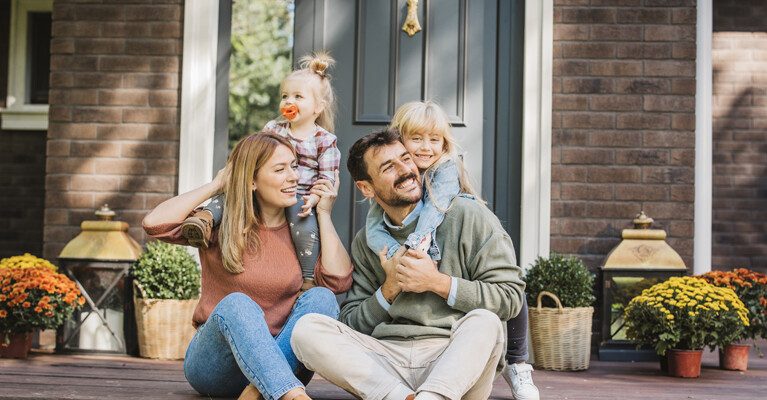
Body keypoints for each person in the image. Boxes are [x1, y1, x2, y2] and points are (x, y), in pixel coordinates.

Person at [291, 128, 525, 400]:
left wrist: (437, 283)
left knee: (485, 322)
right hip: (386, 363)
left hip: (454, 359)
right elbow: (352, 322)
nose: (406, 171)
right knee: (306, 330)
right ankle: (400, 396)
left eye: (405, 158)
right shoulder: (367, 241)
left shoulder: (468, 215)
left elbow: (509, 297)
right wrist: (389, 288)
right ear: (366, 187)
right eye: (389, 167)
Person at [142, 133, 353, 400]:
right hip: (218, 366)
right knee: (237, 304)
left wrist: (323, 214)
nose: (293, 177)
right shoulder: (219, 223)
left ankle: (259, 390)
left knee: (322, 297)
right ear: (251, 180)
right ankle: (292, 396)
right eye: (280, 169)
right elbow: (154, 224)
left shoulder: (303, 230)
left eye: (294, 165)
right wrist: (216, 185)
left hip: (282, 363)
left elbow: (338, 282)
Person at [370, 101, 538, 399]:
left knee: (510, 287)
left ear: (444, 144)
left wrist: (417, 246)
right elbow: (375, 221)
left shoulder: (445, 170)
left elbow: (435, 211)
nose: (425, 148)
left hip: (450, 225)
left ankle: (518, 362)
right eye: (416, 138)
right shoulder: (392, 179)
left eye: (434, 140)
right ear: (398, 140)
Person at [181, 52, 341, 293]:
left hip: (300, 197)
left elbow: (326, 177)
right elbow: (257, 154)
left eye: (298, 96)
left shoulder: (324, 140)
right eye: (285, 96)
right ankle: (204, 221)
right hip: (266, 189)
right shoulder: (273, 129)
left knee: (306, 230)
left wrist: (315, 199)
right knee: (230, 196)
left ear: (318, 108)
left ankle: (308, 279)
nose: (289, 101)